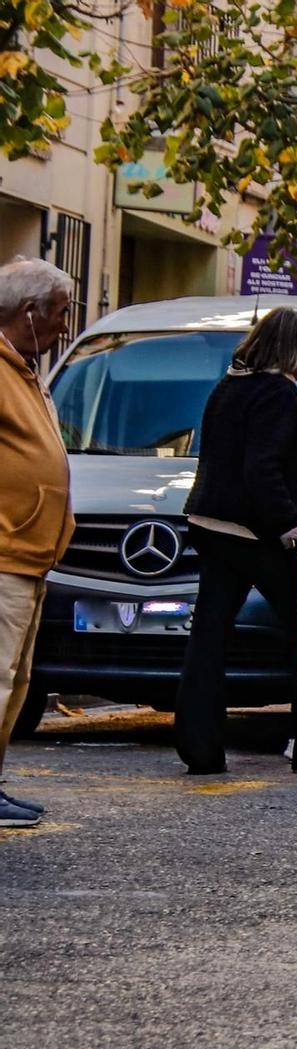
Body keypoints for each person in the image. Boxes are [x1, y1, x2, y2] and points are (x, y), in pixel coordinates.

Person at [176, 308, 297, 777]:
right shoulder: (280, 392)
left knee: (209, 636)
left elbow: (243, 451)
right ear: (290, 350)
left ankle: (199, 749)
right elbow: (260, 471)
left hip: (211, 523)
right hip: (255, 532)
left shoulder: (229, 386)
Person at [0, 259, 76, 828]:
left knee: (15, 684)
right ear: (29, 314)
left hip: (30, 555)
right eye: (59, 315)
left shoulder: (24, 368)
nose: (63, 329)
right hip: (5, 551)